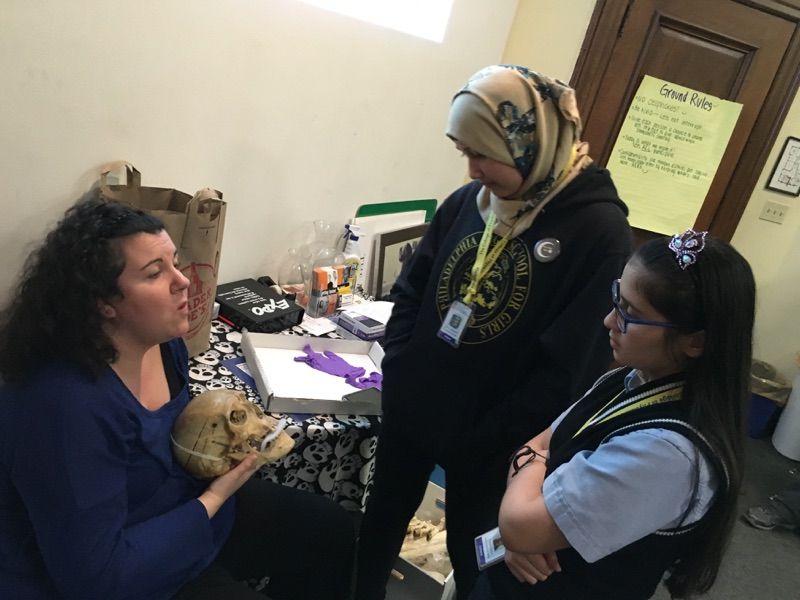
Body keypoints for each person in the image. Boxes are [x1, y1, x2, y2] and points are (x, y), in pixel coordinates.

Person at [355, 64, 632, 599]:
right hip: (417, 409)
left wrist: (483, 439)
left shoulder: (598, 233)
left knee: (475, 556)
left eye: (483, 155)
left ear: (532, 146)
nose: (472, 170)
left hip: (493, 443)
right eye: (464, 152)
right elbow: (411, 292)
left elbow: (568, 369)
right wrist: (401, 369)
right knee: (379, 525)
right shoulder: (471, 204)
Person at [0, 197, 355, 600]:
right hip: (118, 573)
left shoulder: (164, 344)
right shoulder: (64, 406)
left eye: (174, 262)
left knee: (330, 530)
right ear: (103, 303)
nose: (182, 280)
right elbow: (96, 581)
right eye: (155, 273)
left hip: (179, 510)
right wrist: (215, 496)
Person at [467, 231, 755, 599]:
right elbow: (538, 446)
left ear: (695, 341)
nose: (608, 321)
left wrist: (524, 507)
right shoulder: (631, 376)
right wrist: (529, 495)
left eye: (630, 315)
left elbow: (520, 521)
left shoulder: (667, 452)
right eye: (618, 299)